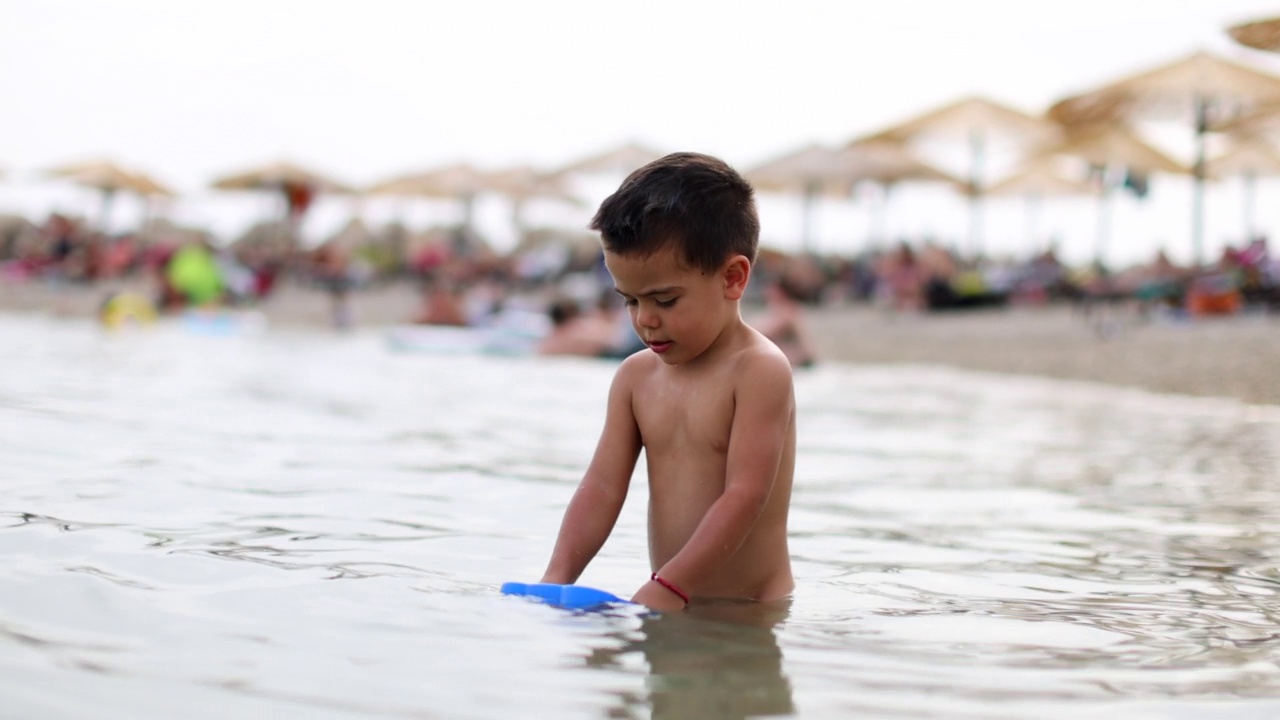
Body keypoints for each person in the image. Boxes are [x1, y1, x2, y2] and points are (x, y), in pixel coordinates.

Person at [538, 152, 796, 612]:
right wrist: (555, 580)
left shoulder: (758, 370)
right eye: (630, 301)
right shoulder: (635, 378)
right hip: (673, 600)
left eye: (665, 299)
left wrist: (671, 584)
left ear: (732, 278)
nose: (645, 320)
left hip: (751, 612)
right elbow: (601, 486)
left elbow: (745, 494)